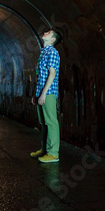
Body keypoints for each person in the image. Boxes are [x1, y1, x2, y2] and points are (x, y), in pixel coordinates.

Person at [30, 28, 62, 163]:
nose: (45, 32)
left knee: (51, 122)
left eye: (49, 32)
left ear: (53, 39)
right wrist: (35, 94)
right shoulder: (43, 53)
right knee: (44, 123)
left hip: (48, 93)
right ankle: (44, 150)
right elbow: (40, 76)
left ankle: (53, 153)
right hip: (41, 92)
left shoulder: (53, 52)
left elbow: (52, 74)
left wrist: (43, 94)